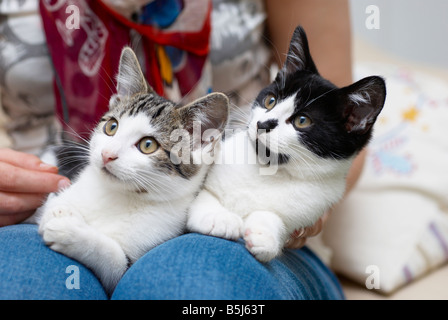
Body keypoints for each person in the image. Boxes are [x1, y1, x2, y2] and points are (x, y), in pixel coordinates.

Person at [0, 0, 358, 299]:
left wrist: (298, 204)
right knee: (24, 285)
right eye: (110, 127)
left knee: (186, 287)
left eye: (146, 143)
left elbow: (338, 127)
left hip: (247, 217)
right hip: (39, 196)